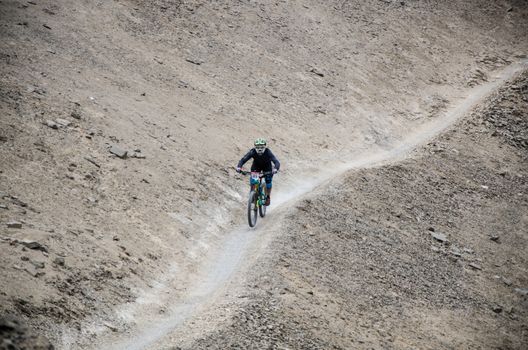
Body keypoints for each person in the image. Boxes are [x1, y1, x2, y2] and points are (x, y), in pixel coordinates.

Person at [236, 138, 280, 206]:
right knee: (253, 182)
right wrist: (239, 167)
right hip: (256, 166)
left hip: (267, 167)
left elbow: (276, 161)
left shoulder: (268, 152)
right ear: (255, 146)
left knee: (268, 182)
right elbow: (243, 159)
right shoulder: (252, 151)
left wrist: (275, 169)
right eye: (258, 146)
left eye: (261, 146)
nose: (259, 148)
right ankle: (252, 195)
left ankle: (268, 196)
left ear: (265, 146)